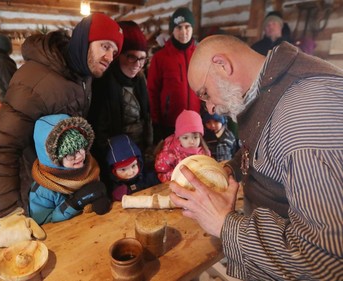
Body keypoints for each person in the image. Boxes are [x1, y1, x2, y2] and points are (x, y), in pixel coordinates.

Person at [169, 35, 343, 280]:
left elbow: (324, 259)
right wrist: (230, 169)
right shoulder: (268, 88)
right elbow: (267, 148)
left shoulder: (307, 115)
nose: (209, 108)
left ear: (222, 65)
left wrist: (224, 224)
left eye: (205, 93)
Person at [0, 13, 123, 219]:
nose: (110, 57)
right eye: (105, 46)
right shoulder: (34, 82)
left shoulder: (82, 74)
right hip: (42, 188)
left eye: (115, 51)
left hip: (70, 178)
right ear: (84, 40)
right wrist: (9, 216)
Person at [88, 21, 153, 172]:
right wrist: (114, 162)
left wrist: (149, 147)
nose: (137, 64)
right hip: (116, 161)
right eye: (131, 57)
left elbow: (146, 117)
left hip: (140, 154)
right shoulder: (102, 82)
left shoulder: (140, 80)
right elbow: (99, 130)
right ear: (118, 55)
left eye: (142, 58)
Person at [29, 114, 110, 224]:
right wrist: (73, 204)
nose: (80, 156)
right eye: (70, 153)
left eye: (82, 147)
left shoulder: (89, 167)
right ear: (54, 157)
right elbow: (43, 224)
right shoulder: (43, 190)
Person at [147, 7, 200, 144]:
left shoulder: (200, 55)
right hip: (170, 124)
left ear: (192, 28)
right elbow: (152, 91)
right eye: (179, 27)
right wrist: (156, 122)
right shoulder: (160, 57)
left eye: (187, 27)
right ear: (172, 30)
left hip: (195, 123)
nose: (183, 32)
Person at [155, 110, 210, 183]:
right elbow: (162, 173)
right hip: (175, 185)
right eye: (185, 138)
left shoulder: (204, 152)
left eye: (195, 137)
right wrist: (178, 177)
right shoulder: (168, 153)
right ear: (178, 138)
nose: (191, 141)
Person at [105, 134, 159, 201]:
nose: (130, 172)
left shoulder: (148, 176)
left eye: (133, 166)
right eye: (123, 169)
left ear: (139, 162)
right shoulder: (114, 187)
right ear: (114, 171)